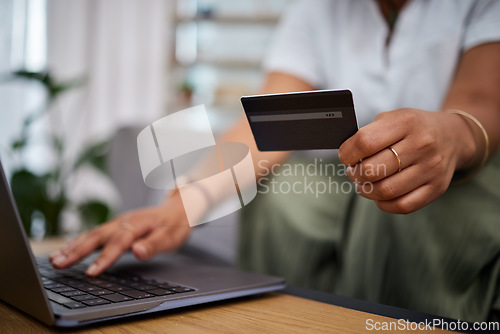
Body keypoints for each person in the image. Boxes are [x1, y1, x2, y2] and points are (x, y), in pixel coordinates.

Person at [50, 0, 500, 322]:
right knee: (283, 189)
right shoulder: (318, 12)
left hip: (467, 172)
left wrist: (450, 136)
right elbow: (269, 127)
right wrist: (181, 207)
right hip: (345, 178)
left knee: (402, 202)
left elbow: (481, 103)